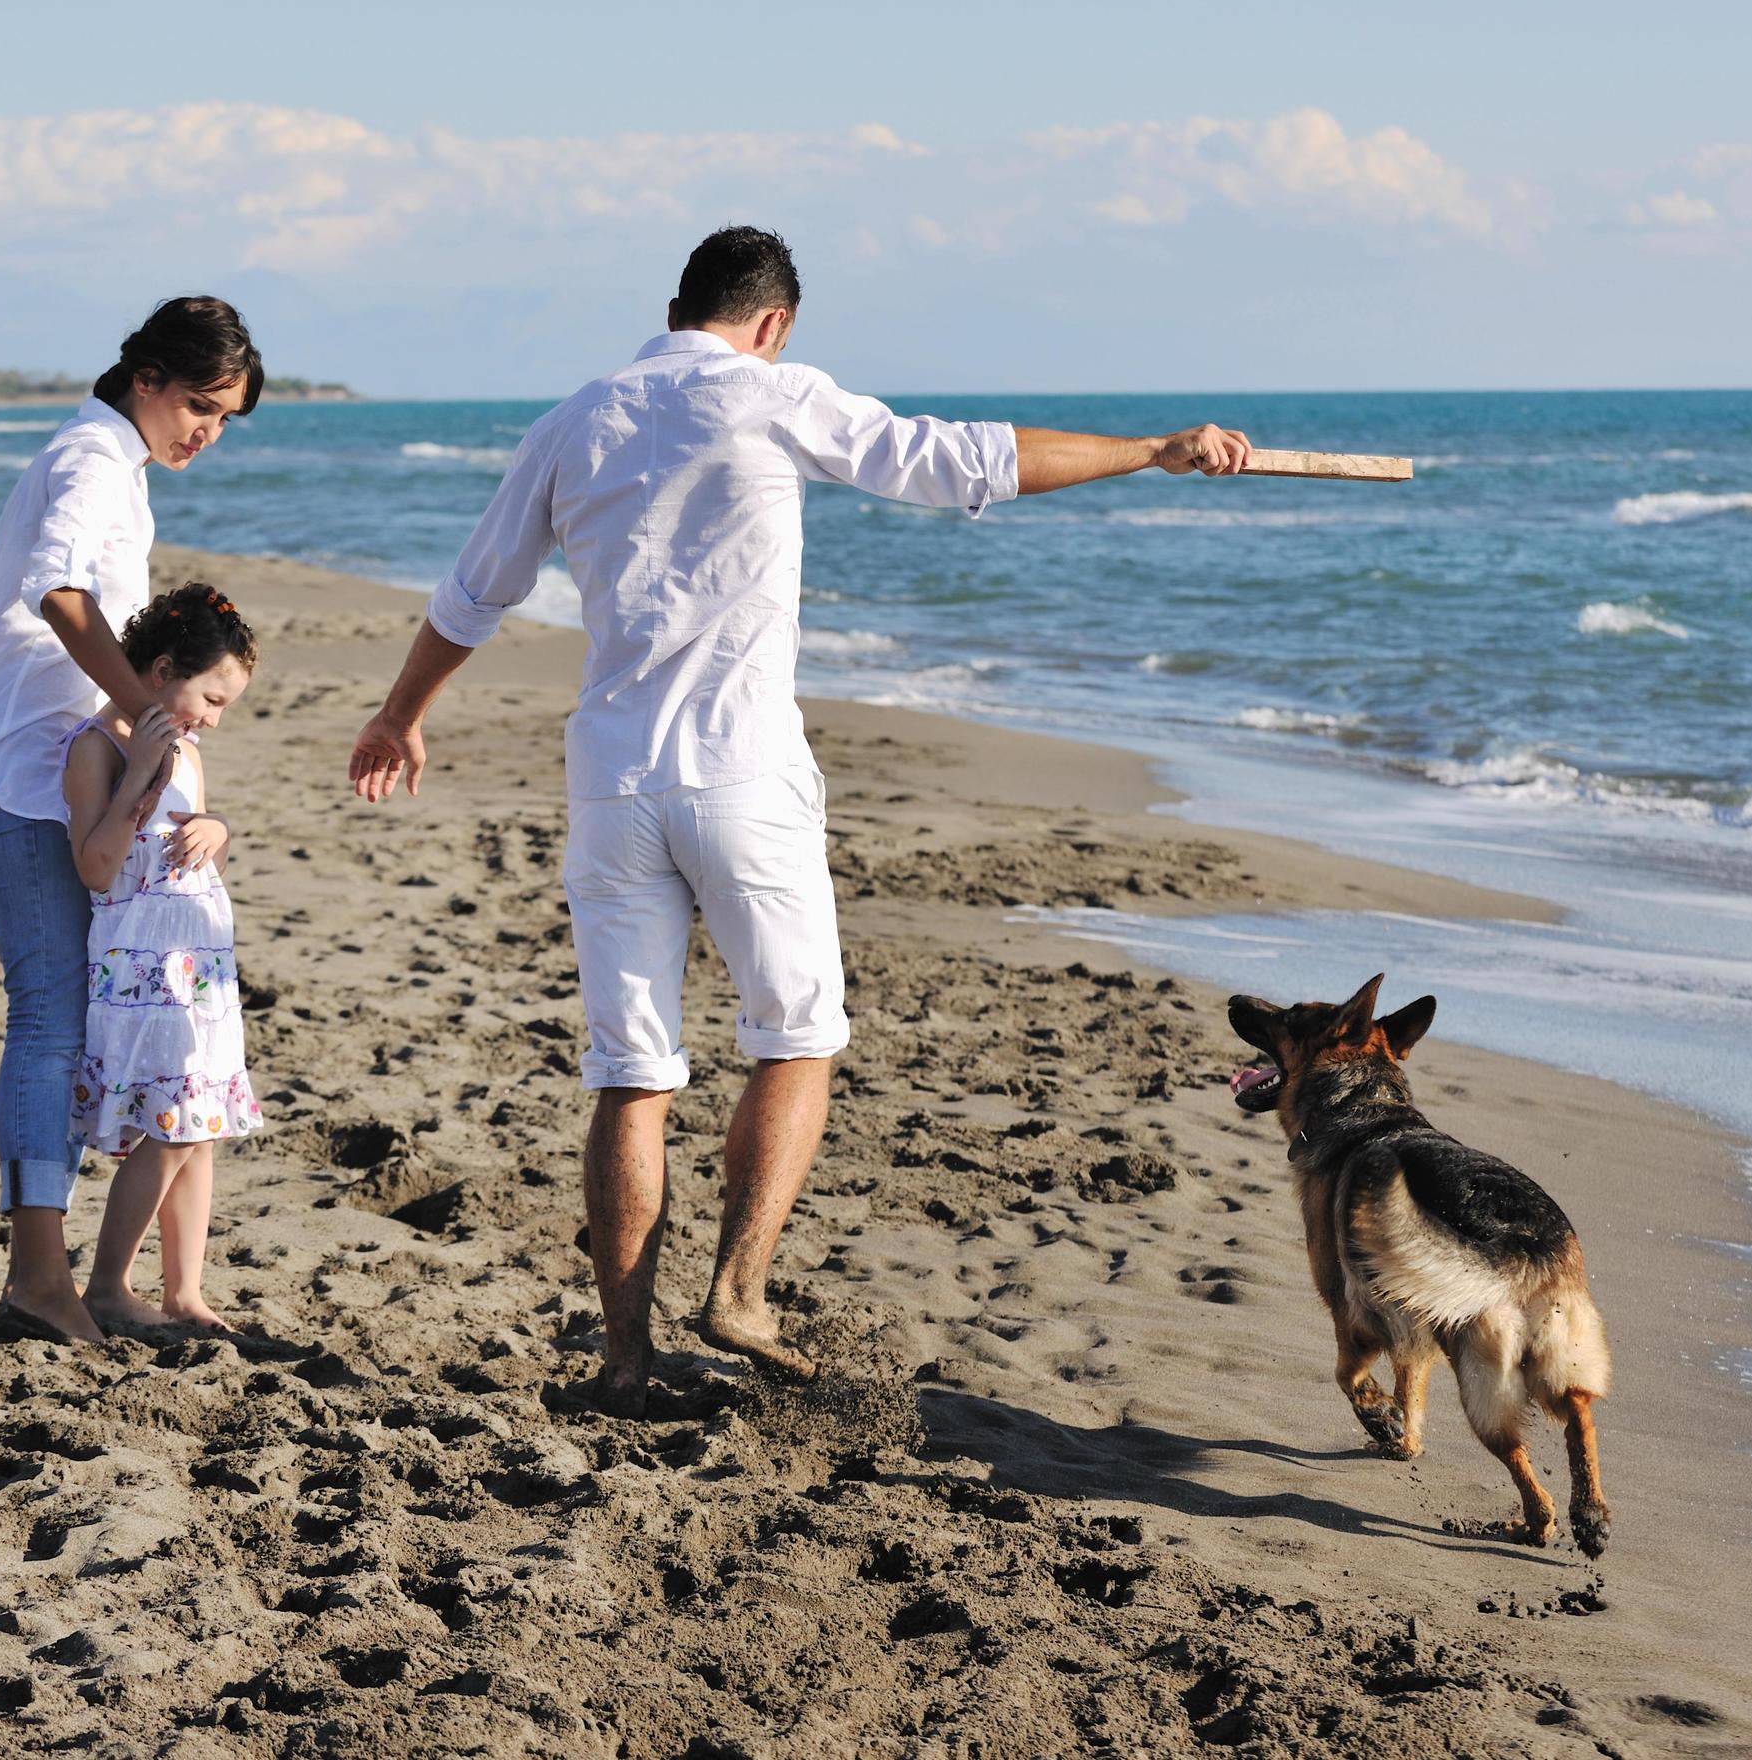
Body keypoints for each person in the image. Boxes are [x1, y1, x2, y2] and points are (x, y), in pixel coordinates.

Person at [347, 226, 1252, 1409]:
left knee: (632, 1074)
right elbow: (965, 461)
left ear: (678, 304)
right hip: (741, 775)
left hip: (611, 782)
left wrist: (400, 714)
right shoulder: (773, 395)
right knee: (795, 1037)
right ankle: (737, 1288)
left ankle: (624, 1361)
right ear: (770, 323)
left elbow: (475, 594)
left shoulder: (574, 421)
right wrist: (1152, 450)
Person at [0, 297, 265, 1344]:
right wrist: (150, 712)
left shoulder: (122, 471)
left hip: (65, 774)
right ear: (147, 376)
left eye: (227, 417)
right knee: (52, 1019)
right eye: (200, 404)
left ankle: (96, 1277)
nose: (207, 429)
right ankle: (37, 1274)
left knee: (87, 1028)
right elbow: (59, 594)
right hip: (24, 775)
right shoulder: (90, 459)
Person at [61, 583, 262, 1334]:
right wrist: (138, 776)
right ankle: (108, 1285)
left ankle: (184, 1292)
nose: (211, 718)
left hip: (199, 967)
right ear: (161, 670)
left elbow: (197, 828)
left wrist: (219, 828)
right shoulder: (96, 747)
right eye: (209, 698)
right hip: (139, 971)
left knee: (199, 1124)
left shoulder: (189, 750)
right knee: (171, 1123)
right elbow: (95, 863)